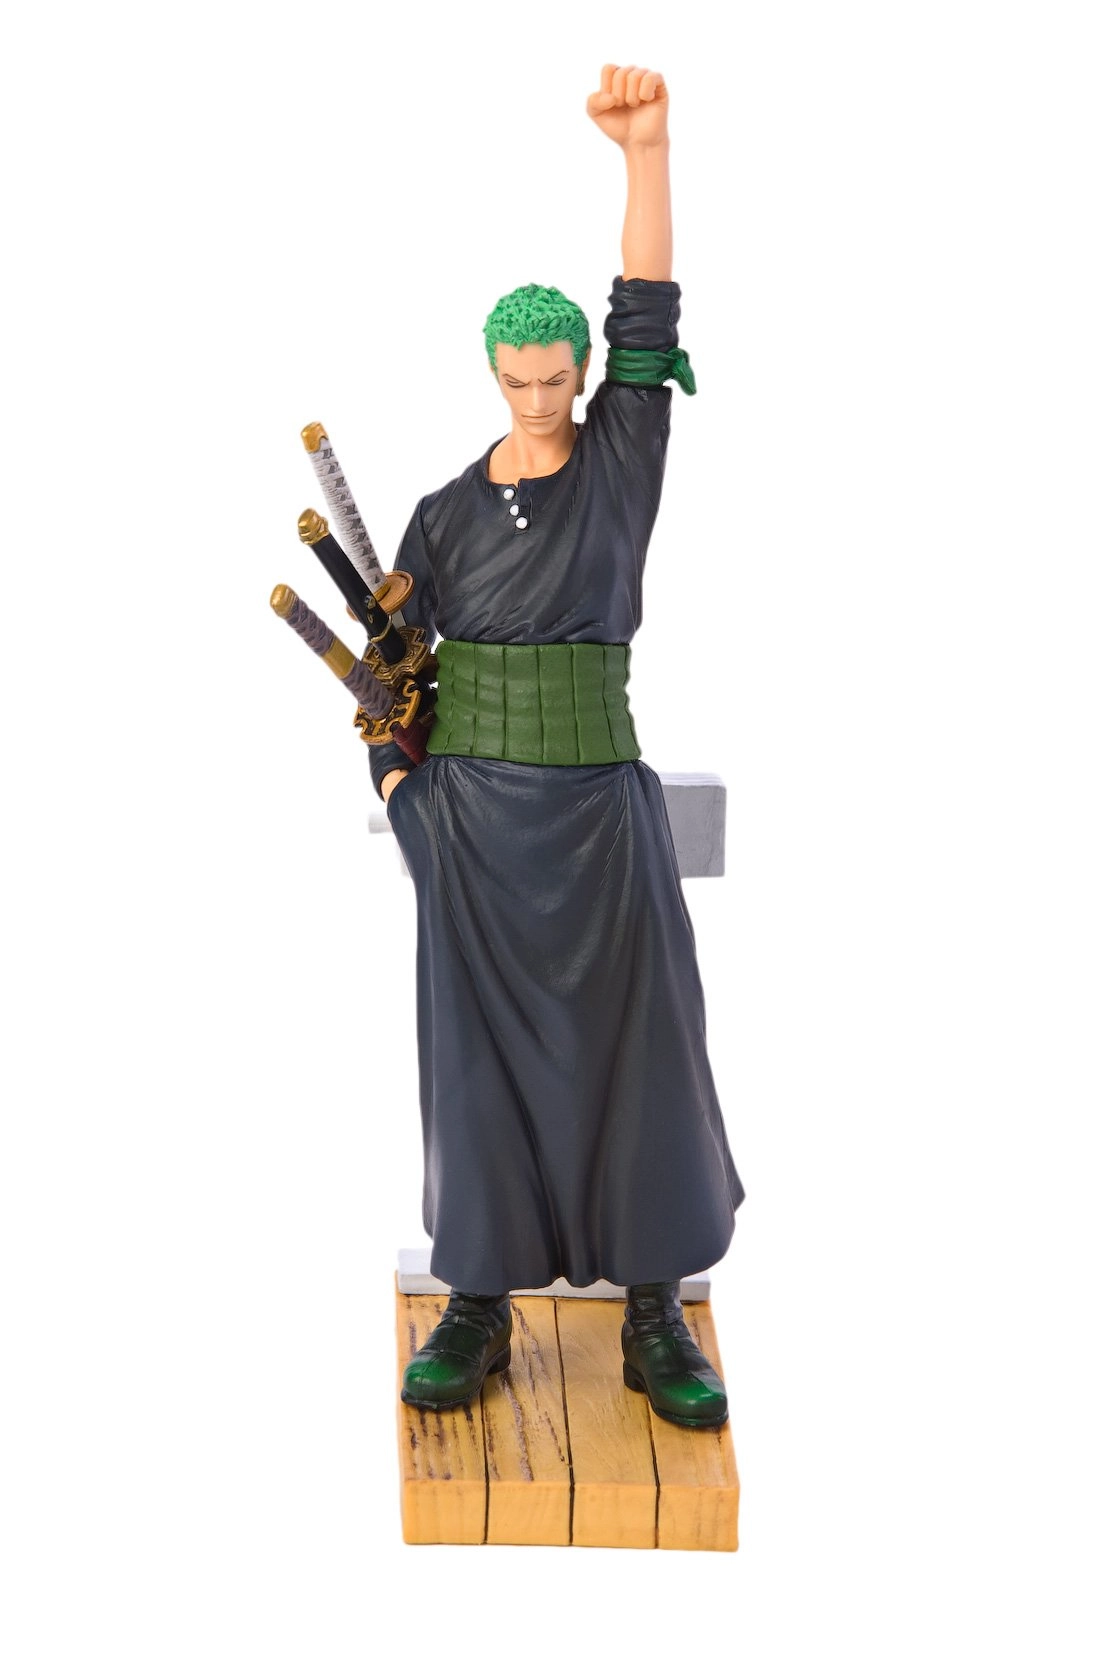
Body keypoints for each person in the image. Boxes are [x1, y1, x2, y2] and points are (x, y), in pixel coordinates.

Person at [375, 65, 744, 1430]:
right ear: (492, 372)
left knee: (645, 1055)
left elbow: (646, 308)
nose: (539, 398)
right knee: (471, 1066)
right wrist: (403, 790)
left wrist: (646, 153)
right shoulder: (438, 515)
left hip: (600, 817)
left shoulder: (618, 460)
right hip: (471, 827)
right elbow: (389, 674)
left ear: (581, 373)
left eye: (558, 376)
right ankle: (478, 1300)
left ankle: (654, 1307)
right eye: (518, 379)